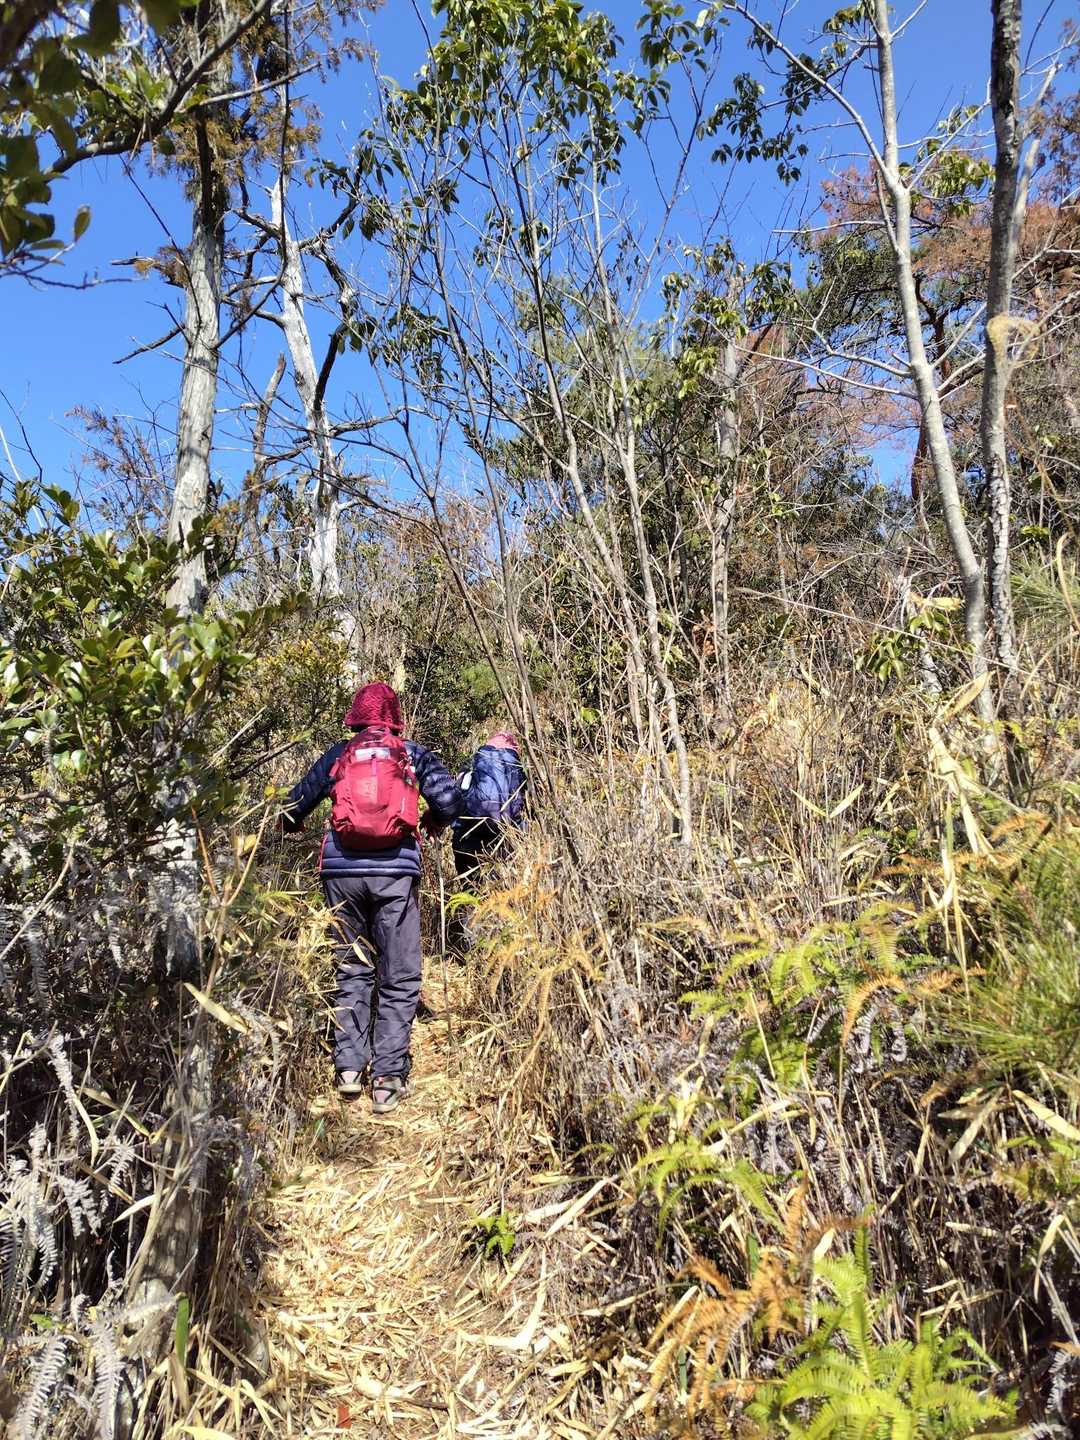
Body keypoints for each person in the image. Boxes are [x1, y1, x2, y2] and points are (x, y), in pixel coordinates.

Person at [280, 682, 462, 1112]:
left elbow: (291, 808)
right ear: (395, 717)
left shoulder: (339, 754)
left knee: (352, 967)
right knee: (399, 975)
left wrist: (295, 826)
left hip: (340, 874)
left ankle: (348, 1069)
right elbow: (450, 801)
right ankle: (387, 1079)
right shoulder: (411, 754)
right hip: (395, 874)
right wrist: (433, 821)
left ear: (355, 717)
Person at [451, 729, 527, 881]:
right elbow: (526, 808)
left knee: (471, 889)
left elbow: (454, 799)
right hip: (504, 841)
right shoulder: (517, 772)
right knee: (500, 890)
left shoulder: (473, 766)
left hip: (468, 838)